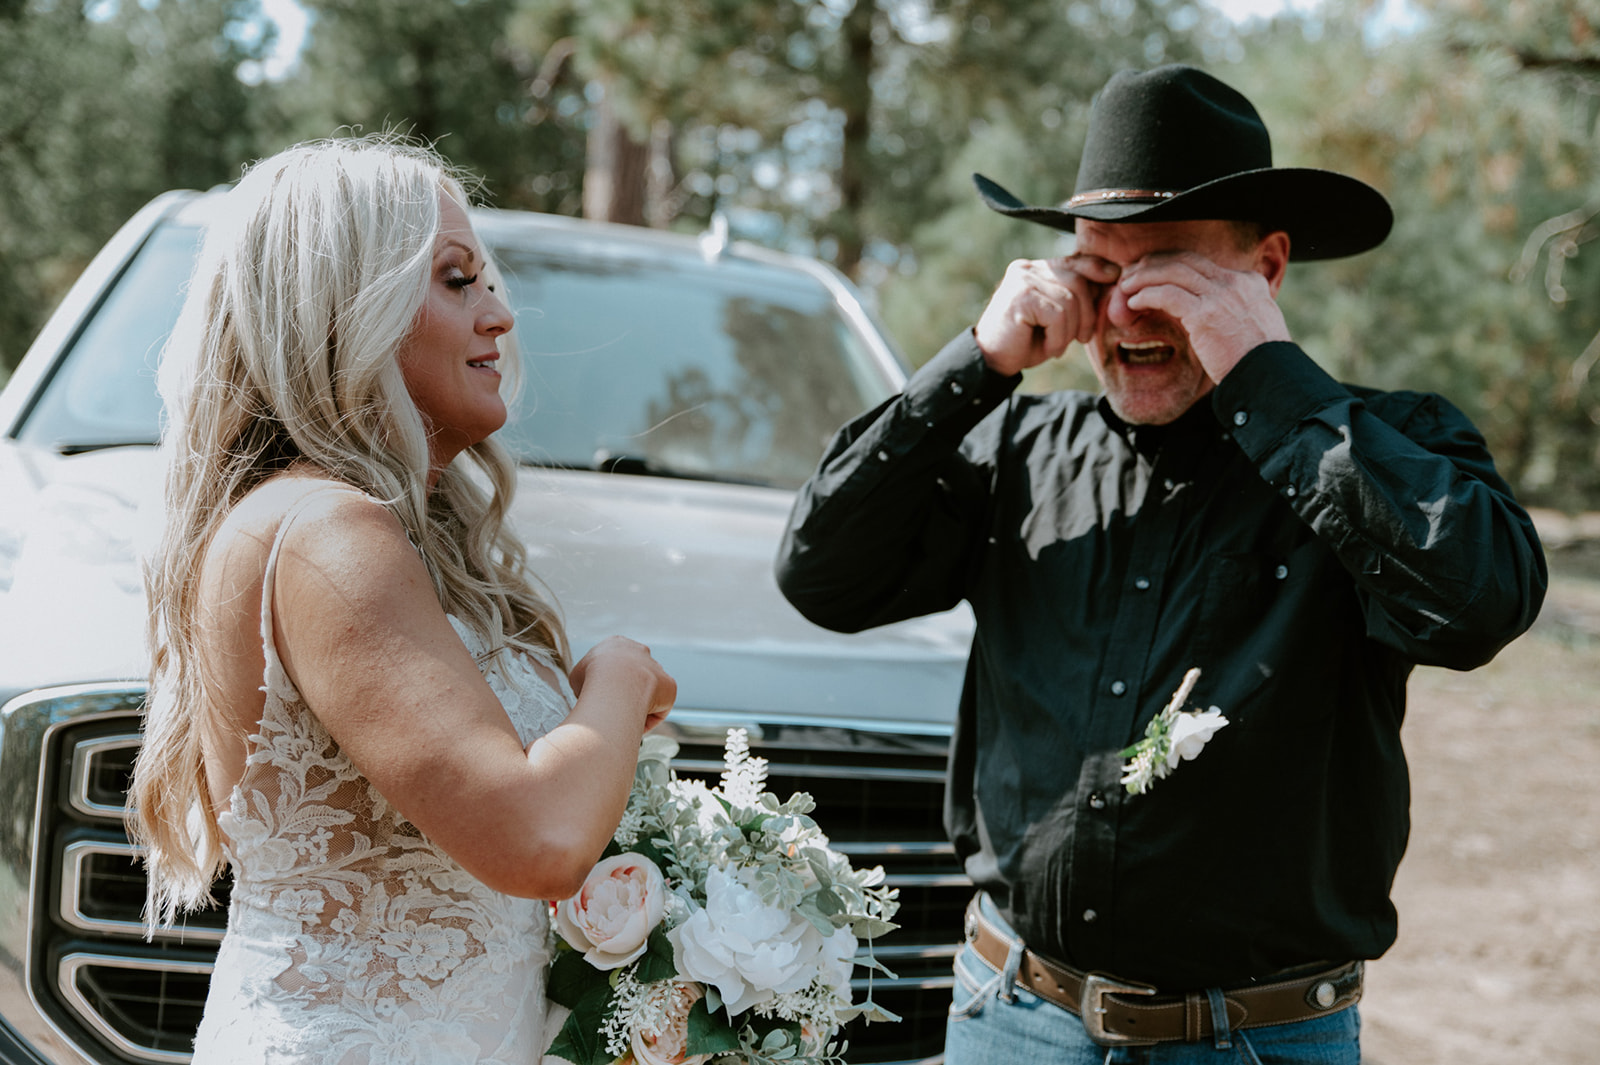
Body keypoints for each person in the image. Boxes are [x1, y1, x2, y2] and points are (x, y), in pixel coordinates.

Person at [774, 65, 1546, 1063]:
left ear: (1265, 271)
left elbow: (1477, 605)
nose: (1128, 315)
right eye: (1101, 272)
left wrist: (1267, 380)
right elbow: (821, 574)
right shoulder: (1015, 450)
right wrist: (976, 362)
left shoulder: (1391, 443)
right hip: (1009, 1017)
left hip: (1260, 1043)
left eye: (1170, 273)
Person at [129, 137, 676, 1063]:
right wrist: (617, 675)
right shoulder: (324, 531)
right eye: (457, 280)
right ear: (344, 305)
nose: (500, 315)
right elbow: (539, 835)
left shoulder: (375, 528)